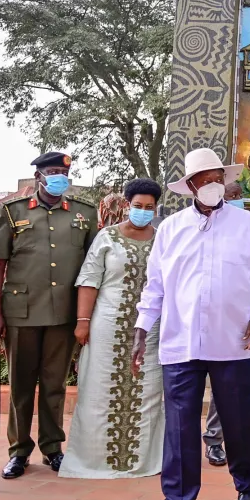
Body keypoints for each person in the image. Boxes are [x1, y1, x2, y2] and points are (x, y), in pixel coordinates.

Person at [133, 148, 250, 500]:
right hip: (181, 342)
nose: (214, 184)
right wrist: (141, 327)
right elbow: (155, 287)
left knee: (241, 420)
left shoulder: (247, 225)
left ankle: (247, 488)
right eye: (205, 179)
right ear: (191, 186)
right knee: (180, 425)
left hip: (234, 340)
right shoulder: (171, 229)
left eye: (219, 176)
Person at [0, 152, 98, 479]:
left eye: (63, 172)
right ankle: (19, 450)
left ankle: (52, 447)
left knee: (54, 385)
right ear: (37, 176)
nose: (58, 177)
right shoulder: (12, 213)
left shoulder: (84, 214)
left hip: (64, 313)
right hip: (21, 313)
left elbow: (92, 269)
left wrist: (85, 316)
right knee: (21, 385)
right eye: (51, 172)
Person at [58, 179, 163, 479]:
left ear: (156, 208)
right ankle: (95, 460)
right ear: (127, 205)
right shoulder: (107, 237)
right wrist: (82, 322)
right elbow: (89, 280)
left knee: (148, 392)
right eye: (138, 206)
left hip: (150, 329)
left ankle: (142, 460)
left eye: (149, 207)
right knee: (99, 390)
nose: (143, 211)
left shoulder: (162, 240)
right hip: (107, 326)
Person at [202, 181, 244, 468]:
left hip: (232, 326)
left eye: (239, 196)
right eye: (232, 196)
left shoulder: (245, 228)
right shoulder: (184, 228)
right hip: (191, 326)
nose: (236, 201)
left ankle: (214, 440)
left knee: (224, 390)